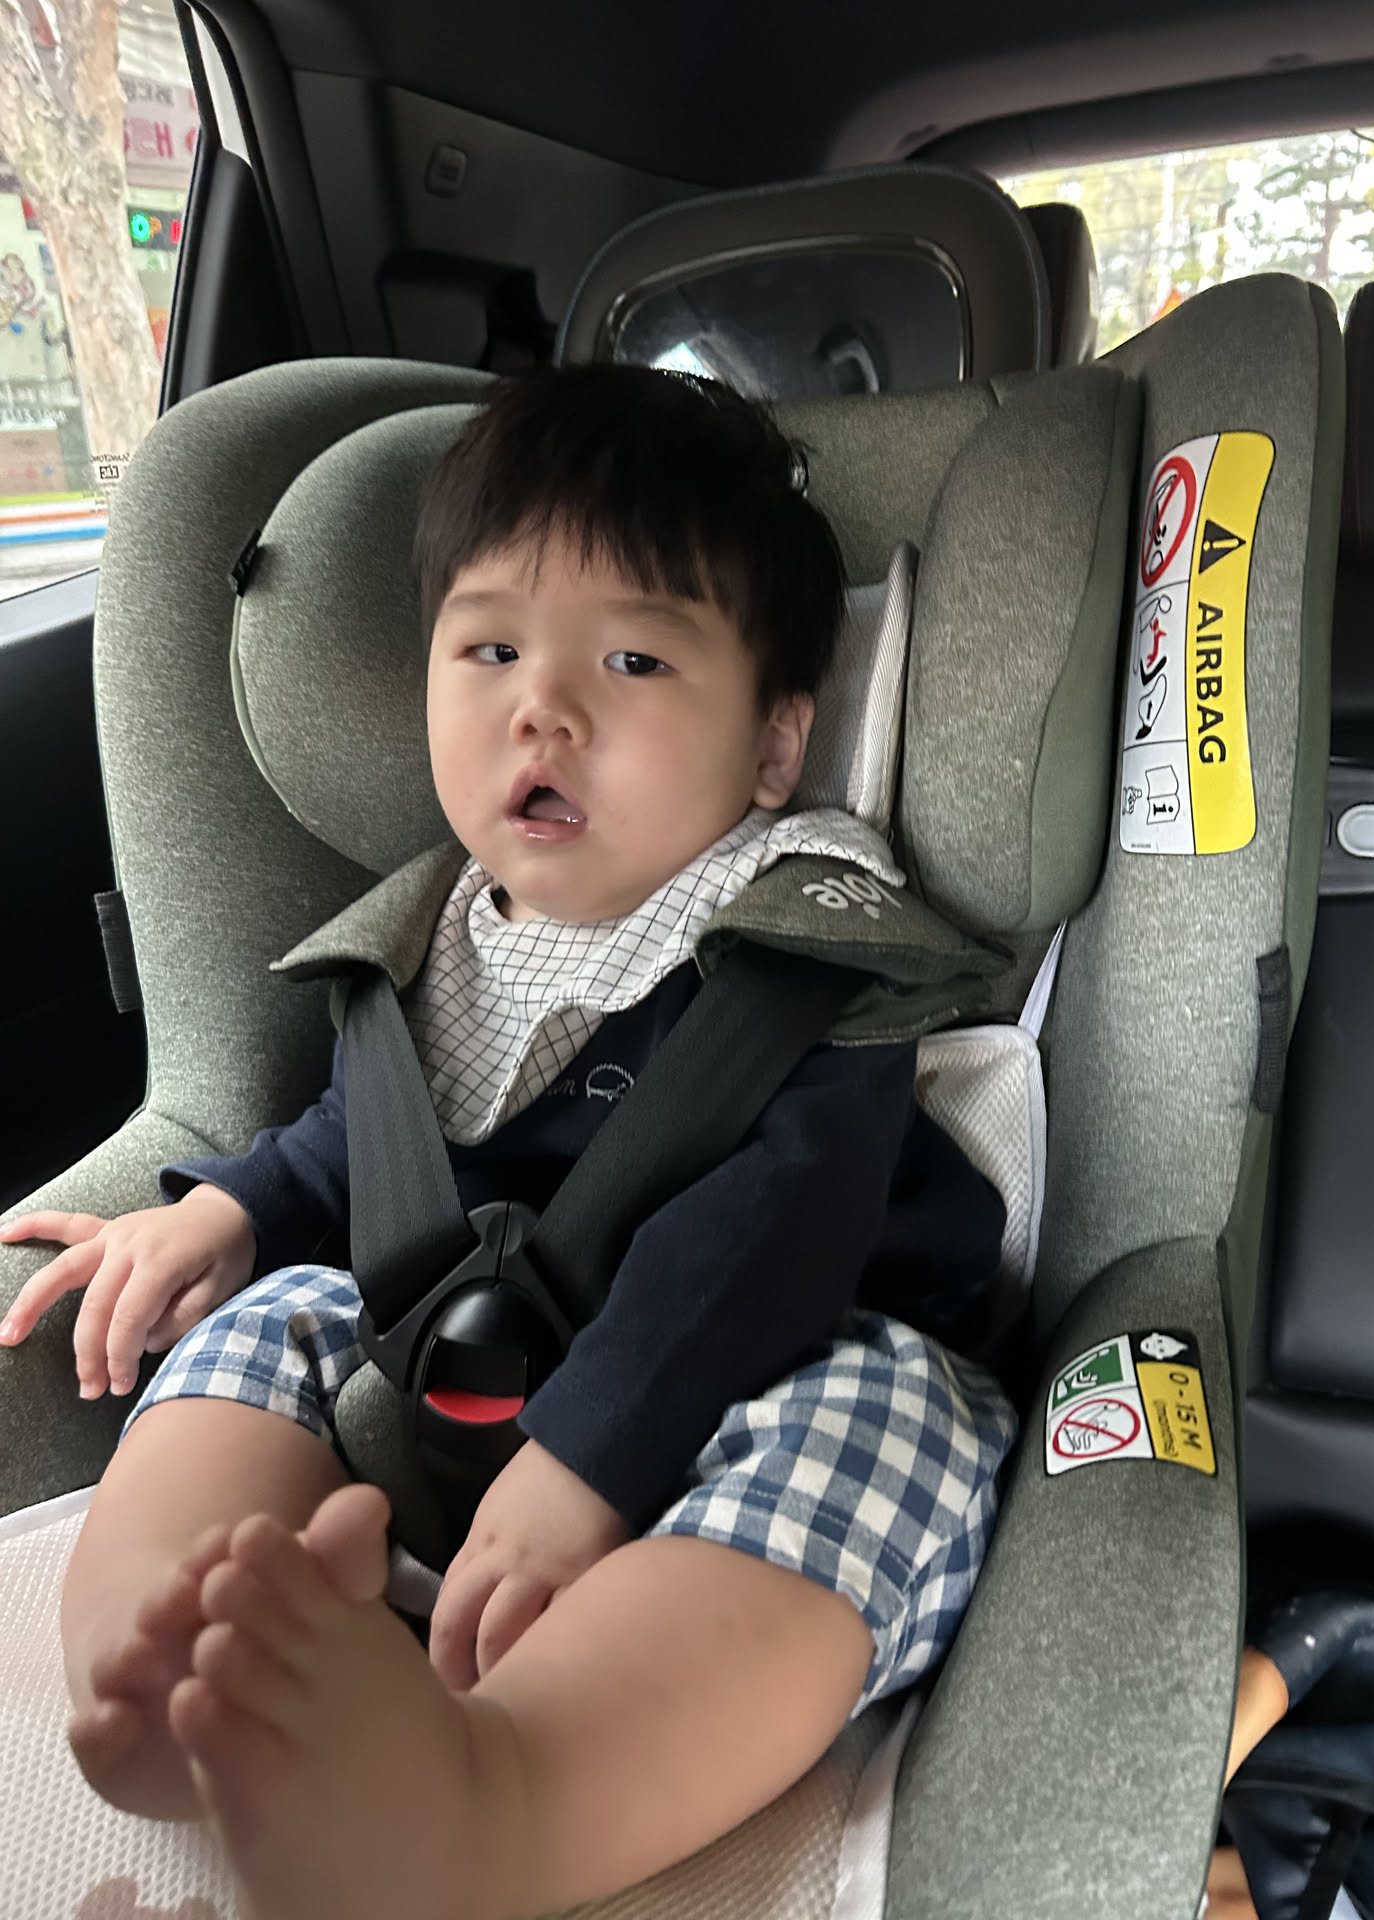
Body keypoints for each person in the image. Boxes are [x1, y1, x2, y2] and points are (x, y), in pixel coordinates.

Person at [0, 365, 1015, 1920]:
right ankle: (164, 1664)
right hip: (453, 1361)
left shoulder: (807, 940)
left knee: (894, 1423)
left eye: (633, 658)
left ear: (772, 747)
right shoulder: (444, 932)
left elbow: (777, 1231)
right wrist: (226, 1215)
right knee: (270, 1317)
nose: (544, 708)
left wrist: (589, 1462)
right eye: (490, 650)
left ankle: (504, 1794)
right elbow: (363, 1135)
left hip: (757, 1375)